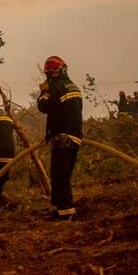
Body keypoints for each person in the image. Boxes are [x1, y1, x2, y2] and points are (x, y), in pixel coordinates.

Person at [37, 55, 83, 221]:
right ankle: (60, 210)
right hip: (73, 136)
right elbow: (63, 111)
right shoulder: (73, 86)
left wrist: (44, 92)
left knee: (60, 176)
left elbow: (44, 106)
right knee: (60, 175)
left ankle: (68, 213)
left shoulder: (56, 87)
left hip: (62, 138)